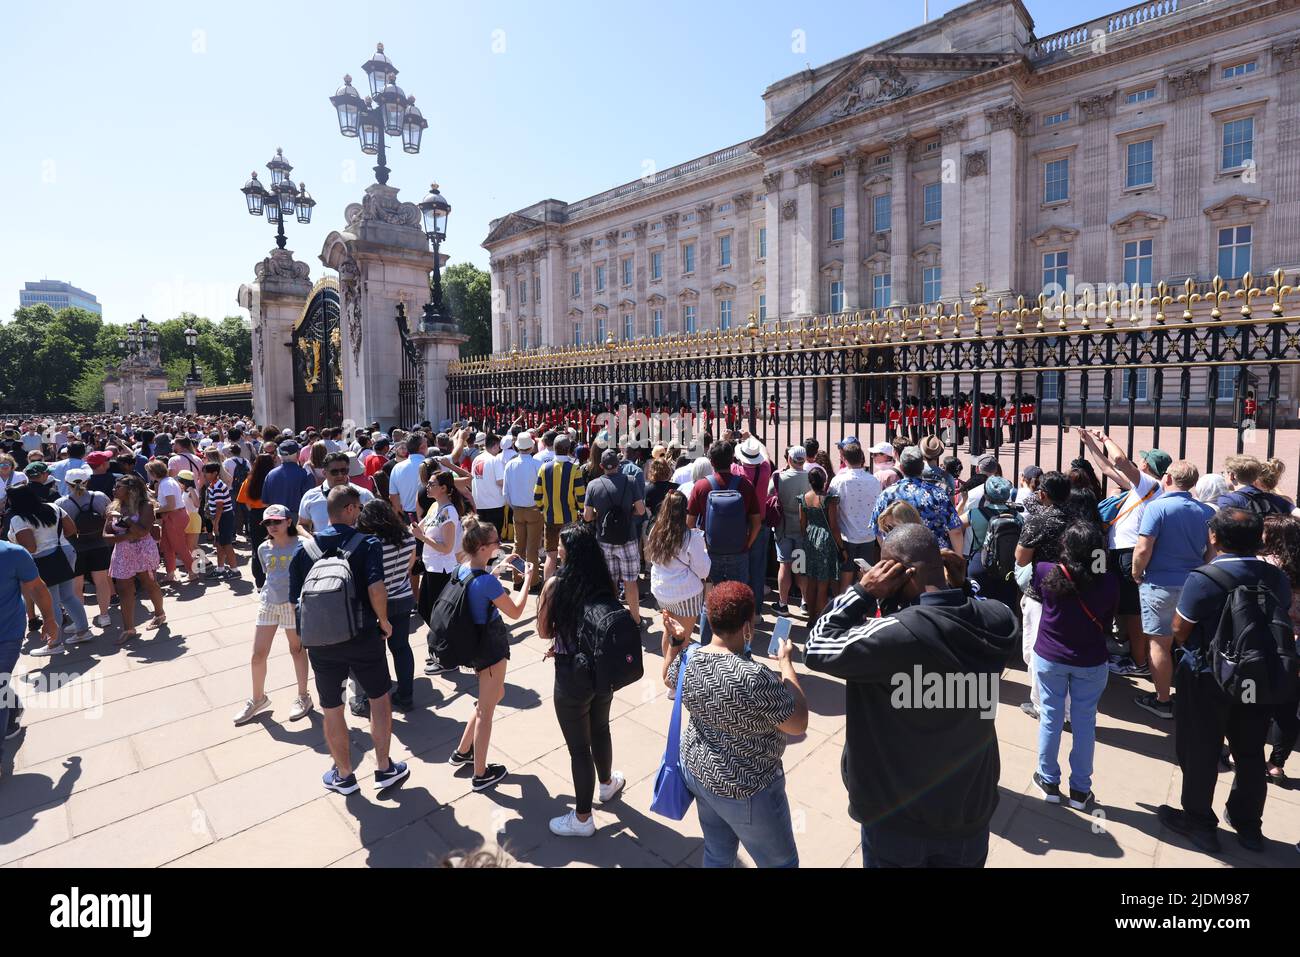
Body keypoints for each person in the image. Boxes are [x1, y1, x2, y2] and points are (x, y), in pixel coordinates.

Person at [806, 524, 1018, 867]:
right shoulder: (997, 622)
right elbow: (987, 612)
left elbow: (816, 645)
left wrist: (862, 591)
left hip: (896, 822)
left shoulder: (896, 636)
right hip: (967, 815)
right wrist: (959, 587)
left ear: (902, 574)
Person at [1159, 509, 1296, 854]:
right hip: (1257, 677)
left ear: (1215, 538)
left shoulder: (1205, 577)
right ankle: (1248, 825)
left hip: (1209, 677)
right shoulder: (1275, 577)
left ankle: (1199, 822)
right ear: (1259, 539)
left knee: (1201, 750)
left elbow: (1179, 628)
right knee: (1249, 752)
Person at [666, 581, 807, 867]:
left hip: (700, 773)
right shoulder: (756, 679)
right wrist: (786, 664)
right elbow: (798, 723)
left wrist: (678, 642)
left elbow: (669, 678)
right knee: (782, 862)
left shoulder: (690, 659)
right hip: (747, 787)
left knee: (717, 854)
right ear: (746, 627)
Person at [289, 485, 408, 795]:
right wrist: (384, 621)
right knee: (379, 700)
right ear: (351, 509)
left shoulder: (304, 550)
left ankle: (344, 775)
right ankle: (384, 768)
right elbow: (376, 588)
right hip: (363, 636)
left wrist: (304, 637)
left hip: (322, 644)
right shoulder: (367, 544)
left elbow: (294, 602)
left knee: (332, 708)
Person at [538, 524, 628, 836]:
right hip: (601, 672)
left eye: (560, 547)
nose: (557, 550)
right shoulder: (602, 581)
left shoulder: (556, 586)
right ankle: (606, 784)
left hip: (570, 676)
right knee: (601, 727)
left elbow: (543, 630)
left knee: (579, 749)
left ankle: (582, 818)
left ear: (569, 552)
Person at [1029, 522, 1118, 811]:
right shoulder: (1108, 581)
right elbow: (1108, 619)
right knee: (1084, 723)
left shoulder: (1045, 570)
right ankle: (1080, 789)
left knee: (1051, 718)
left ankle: (1048, 780)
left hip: (1051, 657)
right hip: (1090, 659)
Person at [446, 516, 537, 792]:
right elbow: (517, 611)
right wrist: (527, 581)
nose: (500, 544)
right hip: (490, 647)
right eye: (496, 542)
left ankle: (463, 751)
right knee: (487, 710)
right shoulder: (486, 582)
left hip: (475, 645)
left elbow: (477, 583)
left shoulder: (464, 569)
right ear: (483, 548)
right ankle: (481, 774)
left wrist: (496, 569)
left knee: (493, 695)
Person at [1078, 430, 1167, 682]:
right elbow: (1108, 469)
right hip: (1121, 552)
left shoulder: (1149, 484)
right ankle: (1130, 652)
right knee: (1123, 607)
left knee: (1133, 612)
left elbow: (1119, 462)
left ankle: (1139, 662)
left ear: (1147, 465)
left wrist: (1104, 438)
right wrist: (1090, 445)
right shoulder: (1142, 487)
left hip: (1129, 553)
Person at [1129, 460, 1215, 721]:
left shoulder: (1158, 508)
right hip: (1192, 584)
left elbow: (1144, 548)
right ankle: (1195, 696)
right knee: (1192, 644)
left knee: (1159, 644)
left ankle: (1163, 699)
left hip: (1160, 583)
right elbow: (1211, 553)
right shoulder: (1206, 511)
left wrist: (1136, 572)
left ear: (1167, 479)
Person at [234, 505, 313, 725]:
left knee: (296, 649)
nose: (272, 526)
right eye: (268, 523)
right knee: (258, 654)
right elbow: (268, 575)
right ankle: (258, 698)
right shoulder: (263, 548)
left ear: (289, 521)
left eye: (276, 521)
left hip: (293, 604)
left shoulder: (304, 546)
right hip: (269, 602)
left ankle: (303, 696)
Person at [686, 441, 761, 643]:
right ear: (732, 460)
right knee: (741, 601)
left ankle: (706, 645)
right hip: (739, 551)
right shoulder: (744, 485)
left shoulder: (701, 486)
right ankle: (742, 647)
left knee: (709, 602)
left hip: (711, 553)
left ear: (711, 461)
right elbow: (756, 521)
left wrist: (702, 546)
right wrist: (747, 543)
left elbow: (689, 524)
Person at [1014, 470, 1072, 720]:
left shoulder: (1039, 520)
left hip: (1041, 592)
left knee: (1036, 650)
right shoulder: (1079, 518)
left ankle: (1040, 704)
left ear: (1044, 494)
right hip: (1073, 590)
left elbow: (1021, 557)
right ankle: (1067, 709)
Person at [7, 483, 89, 655]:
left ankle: (55, 644)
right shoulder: (53, 507)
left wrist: (12, 540)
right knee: (68, 596)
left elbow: (30, 547)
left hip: (42, 562)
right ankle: (83, 631)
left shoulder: (18, 519)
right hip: (64, 553)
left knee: (50, 603)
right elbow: (72, 529)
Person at [357, 500, 419, 712]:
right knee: (401, 648)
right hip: (403, 598)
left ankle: (376, 697)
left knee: (376, 653)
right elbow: (409, 568)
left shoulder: (371, 543)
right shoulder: (408, 537)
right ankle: (406, 695)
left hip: (377, 603)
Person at [1, 536, 57, 762]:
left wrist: (50, 619)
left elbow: (37, 587)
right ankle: (13, 707)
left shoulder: (14, 554)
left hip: (7, 634)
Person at [646, 489, 710, 683]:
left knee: (669, 630)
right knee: (681, 640)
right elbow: (704, 570)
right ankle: (672, 682)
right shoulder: (692, 537)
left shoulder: (655, 532)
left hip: (662, 592)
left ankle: (669, 672)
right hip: (685, 595)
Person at [583, 448, 647, 623]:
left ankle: (612, 618)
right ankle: (635, 619)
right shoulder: (631, 481)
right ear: (619, 465)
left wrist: (600, 514)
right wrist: (627, 513)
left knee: (610, 581)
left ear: (602, 465)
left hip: (604, 540)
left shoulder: (593, 485)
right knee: (630, 581)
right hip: (628, 537)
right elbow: (640, 510)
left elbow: (587, 516)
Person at [1260, 514, 1300, 784]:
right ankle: (1276, 763)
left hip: (1268, 641)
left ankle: (1245, 753)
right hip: (1295, 647)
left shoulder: (1265, 566)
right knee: (1288, 708)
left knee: (1255, 702)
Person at [105, 474, 166, 644]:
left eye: (118, 487)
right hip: (122, 552)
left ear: (131, 490)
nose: (114, 489)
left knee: (149, 584)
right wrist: (127, 536)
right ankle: (129, 629)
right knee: (124, 590)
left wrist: (125, 520)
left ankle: (159, 613)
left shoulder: (145, 506)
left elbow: (142, 532)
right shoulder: (113, 507)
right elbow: (105, 536)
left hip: (143, 551)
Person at [869, 446, 963, 553]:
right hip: (933, 558)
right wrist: (958, 561)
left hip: (900, 558)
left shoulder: (886, 495)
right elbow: (955, 530)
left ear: (901, 467)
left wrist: (889, 554)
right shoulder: (938, 494)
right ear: (922, 467)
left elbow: (877, 530)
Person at [57, 467, 114, 628]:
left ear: (67, 483)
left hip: (75, 548)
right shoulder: (100, 497)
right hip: (100, 545)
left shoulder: (61, 503)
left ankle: (79, 621)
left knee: (77, 586)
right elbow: (110, 518)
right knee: (102, 582)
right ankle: (104, 615)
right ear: (87, 481)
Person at [534, 435, 587, 582]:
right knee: (568, 555)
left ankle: (547, 589)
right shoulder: (574, 469)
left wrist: (542, 509)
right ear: (568, 449)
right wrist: (581, 510)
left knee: (550, 556)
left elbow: (537, 495)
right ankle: (568, 587)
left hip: (550, 518)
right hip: (569, 519)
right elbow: (581, 496)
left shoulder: (544, 468)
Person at [830, 443, 883, 593]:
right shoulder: (873, 480)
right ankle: (863, 612)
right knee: (864, 576)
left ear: (844, 459)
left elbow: (833, 506)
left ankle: (844, 609)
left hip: (847, 535)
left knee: (846, 577)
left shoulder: (839, 481)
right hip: (867, 535)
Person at [963, 475, 1021, 608]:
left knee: (979, 608)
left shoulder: (974, 513)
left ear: (986, 495)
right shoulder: (1016, 515)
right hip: (1007, 564)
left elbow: (954, 526)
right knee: (1006, 606)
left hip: (980, 563)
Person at [799, 467, 843, 624]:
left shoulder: (804, 498)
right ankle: (821, 621)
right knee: (823, 585)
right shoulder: (828, 499)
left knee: (811, 582)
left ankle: (811, 618)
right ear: (824, 481)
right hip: (826, 540)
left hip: (810, 538)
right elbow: (834, 526)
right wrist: (842, 548)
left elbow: (802, 524)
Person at [298, 451, 374, 534]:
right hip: (322, 546)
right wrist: (311, 540)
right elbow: (302, 525)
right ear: (324, 473)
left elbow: (373, 525)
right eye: (334, 472)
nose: (340, 475)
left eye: (343, 471)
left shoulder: (364, 495)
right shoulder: (310, 496)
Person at [503, 432, 543, 587]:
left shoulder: (510, 465)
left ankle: (517, 579)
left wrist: (514, 506)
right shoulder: (536, 464)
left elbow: (505, 492)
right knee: (532, 547)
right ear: (531, 446)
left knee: (518, 545)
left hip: (518, 509)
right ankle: (532, 582)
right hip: (534, 509)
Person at [239, 453, 275, 590]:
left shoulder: (249, 480)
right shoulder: (273, 478)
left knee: (257, 548)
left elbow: (244, 502)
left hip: (255, 515)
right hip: (272, 514)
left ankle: (259, 581)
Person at [1217, 454, 1293, 515]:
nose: (1223, 476)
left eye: (1224, 473)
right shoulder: (1276, 500)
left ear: (1232, 475)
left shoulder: (1228, 499)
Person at [261, 441, 316, 520]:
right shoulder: (306, 475)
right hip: (297, 520)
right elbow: (310, 504)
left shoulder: (270, 474)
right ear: (298, 453)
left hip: (275, 520)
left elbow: (265, 503)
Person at [469, 433, 508, 534]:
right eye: (498, 447)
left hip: (479, 503)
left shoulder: (477, 459)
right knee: (494, 536)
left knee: (483, 536)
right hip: (494, 503)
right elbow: (500, 481)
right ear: (495, 445)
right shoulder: (494, 460)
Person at [388, 434, 428, 522]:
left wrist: (401, 512)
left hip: (408, 516)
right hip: (428, 514)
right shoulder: (431, 464)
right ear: (422, 447)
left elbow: (393, 496)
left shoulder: (397, 467)